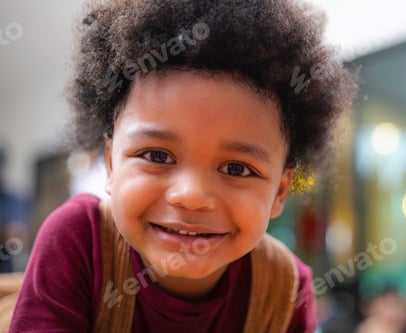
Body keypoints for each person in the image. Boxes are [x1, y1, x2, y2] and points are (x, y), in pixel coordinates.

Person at [9, 0, 355, 331]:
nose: (191, 196)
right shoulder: (79, 242)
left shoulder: (286, 289)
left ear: (280, 191)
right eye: (157, 156)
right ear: (111, 164)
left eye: (237, 169)